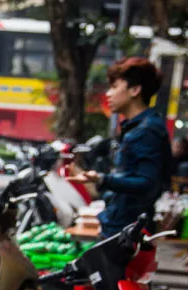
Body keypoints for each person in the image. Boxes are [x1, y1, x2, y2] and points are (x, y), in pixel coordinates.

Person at [69, 57, 172, 237]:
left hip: (127, 230)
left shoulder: (147, 130)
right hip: (119, 224)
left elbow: (148, 183)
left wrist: (102, 179)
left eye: (115, 87)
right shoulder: (136, 127)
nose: (108, 94)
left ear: (135, 90)